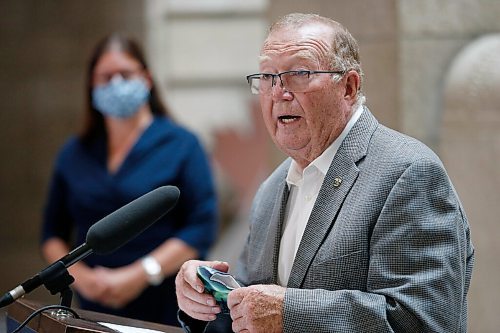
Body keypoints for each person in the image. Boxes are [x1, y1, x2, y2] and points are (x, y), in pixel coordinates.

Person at [175, 13, 474, 333]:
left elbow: (423, 322)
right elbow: (252, 314)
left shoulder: (409, 174)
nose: (279, 92)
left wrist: (291, 313)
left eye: (300, 73)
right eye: (267, 76)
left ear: (348, 86)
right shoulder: (272, 188)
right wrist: (205, 301)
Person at [40, 33, 217, 326]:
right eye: (106, 77)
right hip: (92, 306)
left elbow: (200, 227)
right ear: (91, 86)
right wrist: (82, 279)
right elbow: (52, 233)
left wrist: (141, 274)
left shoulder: (182, 145)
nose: (116, 84)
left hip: (165, 306)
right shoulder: (74, 153)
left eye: (125, 74)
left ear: (146, 78)